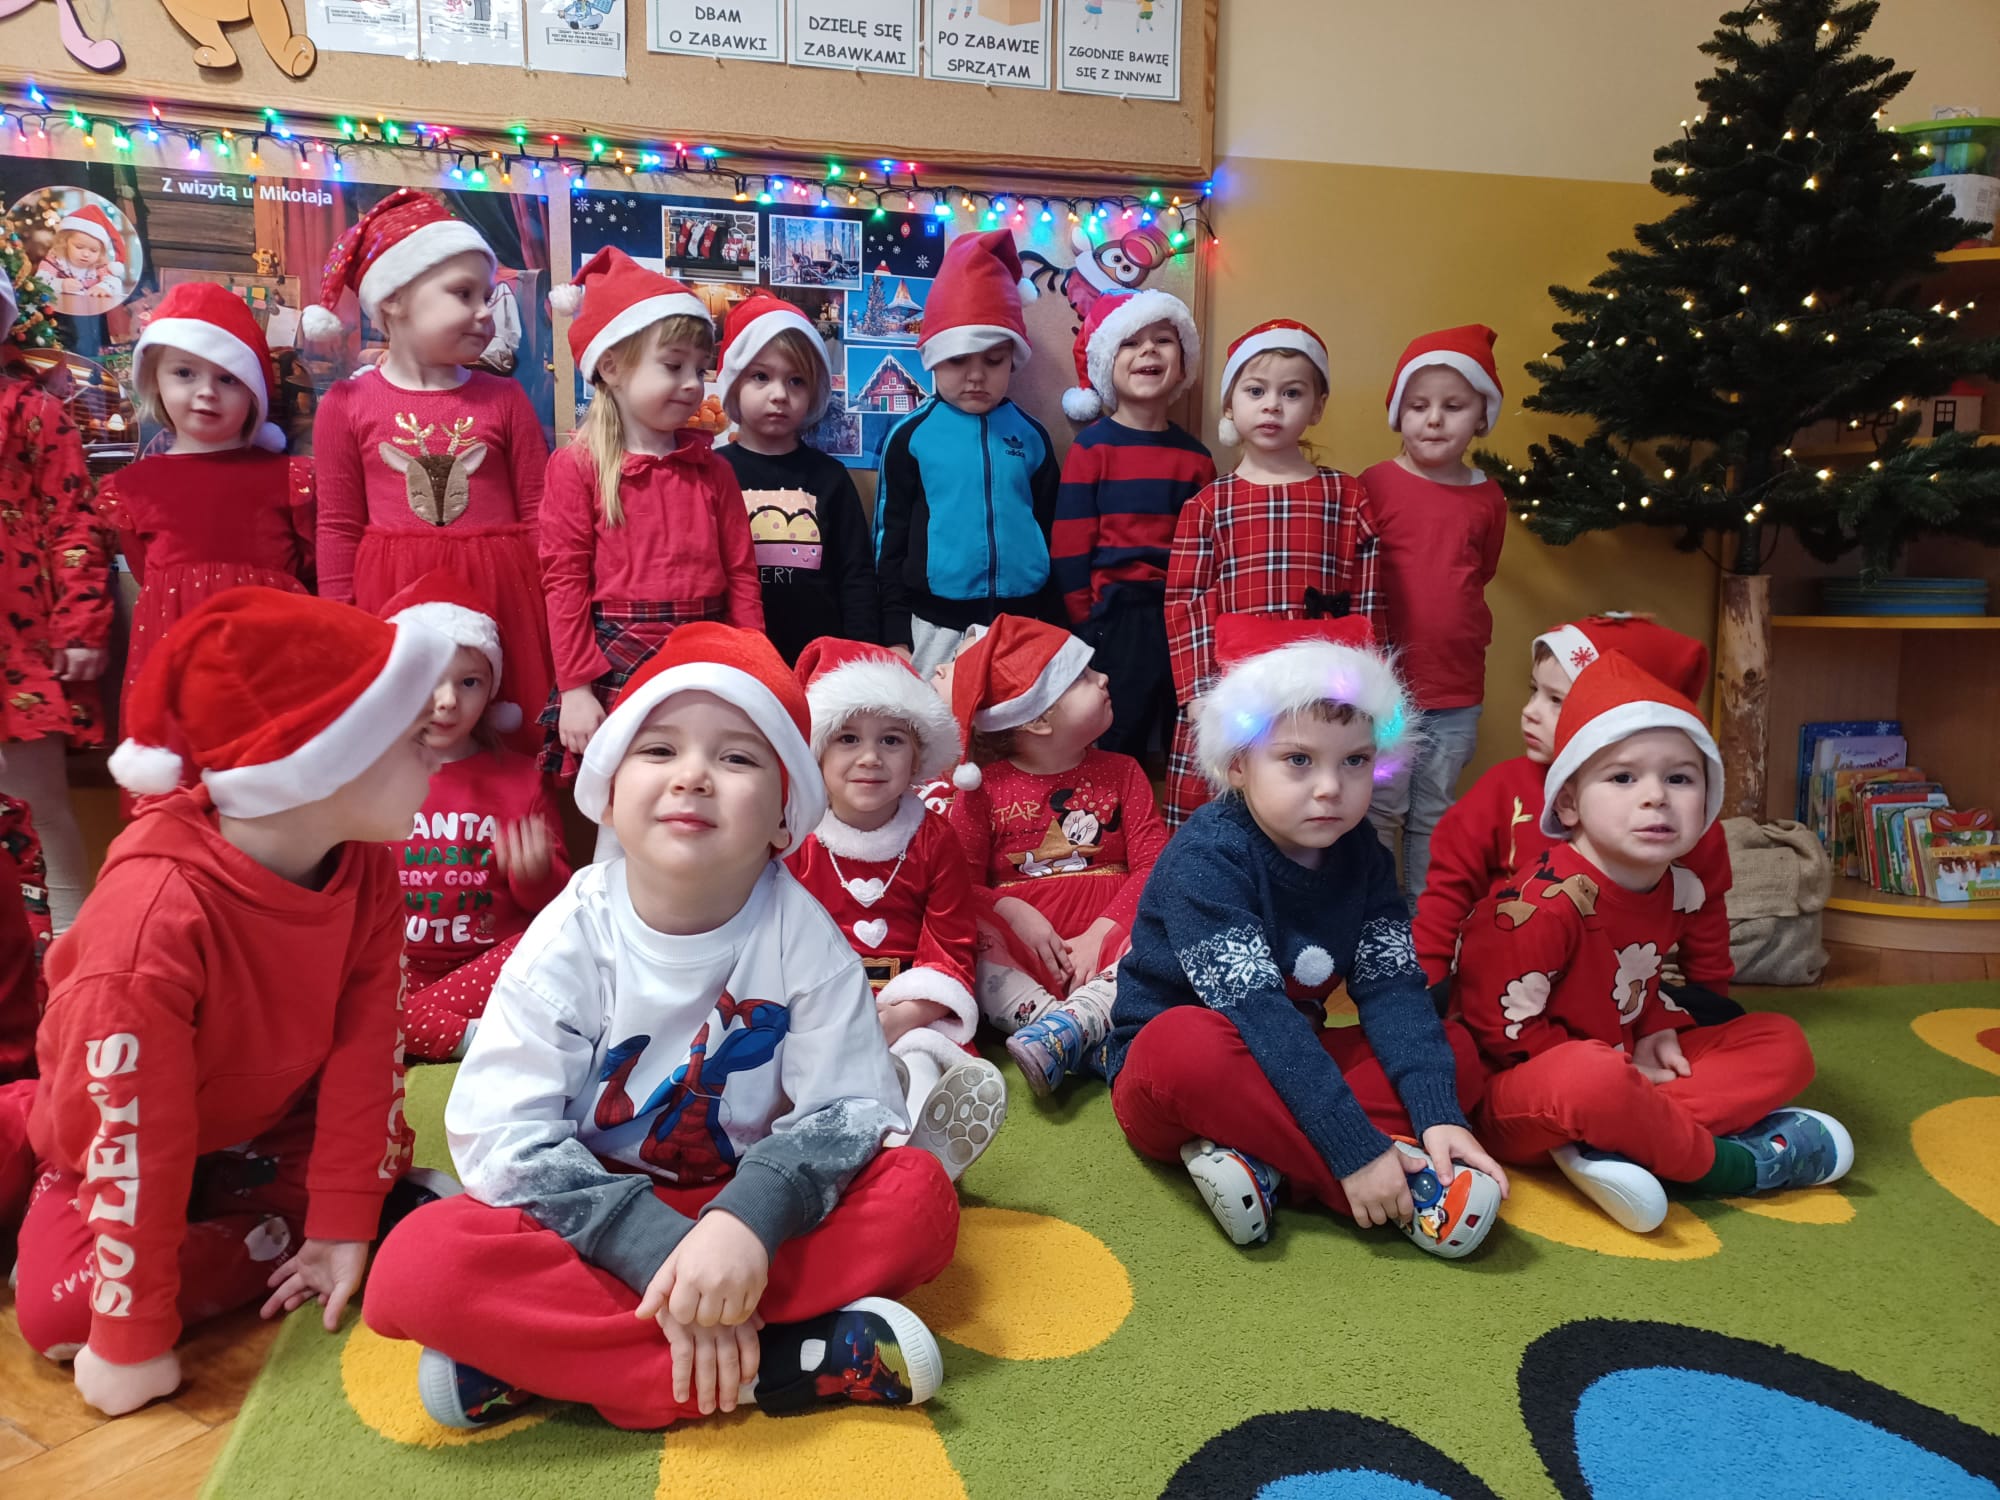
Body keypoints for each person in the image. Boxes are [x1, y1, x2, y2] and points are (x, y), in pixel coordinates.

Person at [362, 623, 956, 1432]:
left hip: (747, 1209)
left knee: (918, 1199)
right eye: (659, 750)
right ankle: (778, 1363)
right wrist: (653, 1247)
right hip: (591, 1218)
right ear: (609, 793)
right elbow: (502, 1133)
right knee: (416, 1264)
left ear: (786, 819)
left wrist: (743, 1225)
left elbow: (849, 1109)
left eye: (737, 758)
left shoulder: (804, 934)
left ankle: (551, 1359)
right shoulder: (573, 930)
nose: (693, 776)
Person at [12, 587, 455, 1416]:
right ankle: (36, 1150)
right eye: (414, 738)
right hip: (113, 1134)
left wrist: (344, 1222)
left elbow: (369, 1055)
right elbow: (131, 1134)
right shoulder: (150, 922)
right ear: (324, 763)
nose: (439, 757)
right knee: (63, 1316)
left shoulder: (363, 865)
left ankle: (285, 1217)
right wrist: (132, 1341)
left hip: (255, 1128)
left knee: (361, 1187)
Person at [1105, 613, 1505, 1257]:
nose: (1330, 788)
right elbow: (1258, 1013)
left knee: (1451, 1049)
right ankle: (1390, 1185)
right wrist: (1353, 1154)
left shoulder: (1364, 854)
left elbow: (1393, 989)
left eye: (1355, 761)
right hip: (1179, 1075)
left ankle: (1261, 1163)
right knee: (1182, 1045)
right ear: (1239, 764)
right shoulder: (1207, 856)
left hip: (1293, 1055)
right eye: (1298, 760)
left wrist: (1439, 1114)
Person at [1451, 650, 1851, 1234]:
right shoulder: (1541, 906)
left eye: (1679, 778)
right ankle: (1724, 1165)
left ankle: (1621, 1143)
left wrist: (1656, 1024)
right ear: (1569, 803)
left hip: (1616, 1069)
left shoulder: (1676, 887)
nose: (1655, 796)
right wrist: (1615, 1068)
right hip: (1516, 1092)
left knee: (1782, 1044)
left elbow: (1635, 980)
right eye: (1623, 777)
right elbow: (1499, 1031)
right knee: (1593, 1081)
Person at [308, 188, 553, 758]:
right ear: (394, 299)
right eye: (464, 294)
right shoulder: (346, 405)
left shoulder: (505, 399)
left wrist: (549, 615)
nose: (485, 311)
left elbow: (540, 515)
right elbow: (337, 526)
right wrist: (342, 625)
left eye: (486, 296)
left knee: (504, 745)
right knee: (400, 747)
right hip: (390, 595)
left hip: (503, 597)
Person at [1415, 614, 1738, 1025]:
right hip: (1512, 990)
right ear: (1566, 805)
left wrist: (1709, 996)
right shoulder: (1502, 788)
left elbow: (1706, 912)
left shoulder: (1675, 819)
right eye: (1534, 691)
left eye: (1556, 700)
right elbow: (1447, 893)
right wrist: (1426, 987)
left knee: (1734, 1023)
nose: (1530, 712)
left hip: (1621, 993)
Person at [540, 248, 762, 783]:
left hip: (708, 648)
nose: (693, 384)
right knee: (625, 790)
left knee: (698, 780)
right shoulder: (577, 467)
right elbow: (564, 581)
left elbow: (741, 575)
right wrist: (575, 687)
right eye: (673, 365)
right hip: (617, 653)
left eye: (700, 369)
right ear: (611, 366)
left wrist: (755, 664)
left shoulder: (715, 471)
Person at [787, 636, 1006, 1179]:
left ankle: (920, 1153)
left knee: (918, 1057)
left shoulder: (934, 838)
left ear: (917, 757)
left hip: (908, 1005)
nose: (870, 757)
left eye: (891, 739)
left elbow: (950, 942)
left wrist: (902, 1016)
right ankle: (837, 1146)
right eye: (847, 738)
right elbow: (777, 942)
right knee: (803, 1067)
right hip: (818, 1007)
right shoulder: (796, 840)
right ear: (817, 751)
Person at [1162, 319, 1382, 828]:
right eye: (1256, 391)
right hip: (1233, 691)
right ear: (1229, 404)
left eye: (1292, 393)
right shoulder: (1208, 505)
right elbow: (1186, 601)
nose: (1272, 406)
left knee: (1313, 807)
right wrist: (1196, 692)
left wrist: (1370, 683)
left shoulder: (1347, 496)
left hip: (1322, 697)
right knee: (1227, 817)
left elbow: (1369, 598)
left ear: (1317, 407)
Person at [943, 615, 1169, 1097]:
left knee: (1169, 928)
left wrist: (1102, 932)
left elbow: (1156, 866)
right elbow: (956, 884)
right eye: (1083, 676)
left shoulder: (1125, 771)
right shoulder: (982, 790)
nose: (1103, 678)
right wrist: (1013, 911)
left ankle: (1074, 1026)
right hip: (1024, 955)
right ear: (1038, 719)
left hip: (1110, 949)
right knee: (966, 939)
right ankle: (1063, 1029)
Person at [99, 283, 316, 758]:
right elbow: (146, 571)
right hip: (174, 658)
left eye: (228, 379)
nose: (206, 392)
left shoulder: (287, 478)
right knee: (177, 775)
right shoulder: (135, 488)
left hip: (270, 656)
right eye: (184, 372)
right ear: (154, 379)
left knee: (268, 771)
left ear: (253, 392)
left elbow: (309, 564)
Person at [379, 570, 571, 1061]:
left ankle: (413, 1030)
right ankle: (466, 1037)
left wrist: (534, 875)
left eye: (469, 682)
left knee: (556, 943)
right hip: (391, 971)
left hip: (491, 969)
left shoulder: (522, 778)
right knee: (339, 990)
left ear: (490, 691)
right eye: (427, 679)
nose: (447, 701)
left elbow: (558, 909)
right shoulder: (369, 777)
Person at [1362, 326, 1508, 909]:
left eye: (1454, 406)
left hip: (1456, 688)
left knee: (1434, 811)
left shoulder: (1488, 497)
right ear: (1399, 414)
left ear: (1482, 416)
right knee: (1378, 807)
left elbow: (1482, 571)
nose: (1435, 420)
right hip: (1386, 689)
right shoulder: (1375, 484)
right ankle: (1376, 917)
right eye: (1419, 406)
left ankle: (1428, 923)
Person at [874, 230, 1061, 676]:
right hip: (934, 628)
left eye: (993, 361)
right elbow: (889, 539)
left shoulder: (1032, 436)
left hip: (1023, 623)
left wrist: (1054, 620)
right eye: (958, 359)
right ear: (934, 358)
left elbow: (1053, 530)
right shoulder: (910, 436)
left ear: (1012, 360)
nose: (976, 376)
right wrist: (894, 631)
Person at [1052, 288, 1214, 761]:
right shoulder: (1092, 449)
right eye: (1130, 342)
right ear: (1108, 362)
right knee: (1118, 737)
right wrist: (1085, 622)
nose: (1148, 351)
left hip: (1179, 615)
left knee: (1182, 738)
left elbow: (1207, 551)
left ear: (1182, 365)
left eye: (1162, 340)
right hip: (1115, 618)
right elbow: (1070, 546)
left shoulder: (1196, 459)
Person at [0, 266, 110, 934]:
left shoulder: (35, 411)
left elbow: (74, 520)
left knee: (37, 803)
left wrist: (80, 621)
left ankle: (74, 951)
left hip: (19, 641)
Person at [713, 291, 879, 663]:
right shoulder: (712, 473)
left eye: (796, 381)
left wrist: (862, 656)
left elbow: (856, 576)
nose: (779, 395)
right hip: (736, 661)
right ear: (735, 383)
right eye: (761, 376)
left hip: (822, 663)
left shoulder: (830, 477)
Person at [35, 207, 125, 298]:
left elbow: (115, 282)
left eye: (94, 250)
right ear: (65, 243)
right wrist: (60, 284)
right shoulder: (56, 260)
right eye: (79, 247)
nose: (86, 254)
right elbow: (39, 281)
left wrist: (104, 287)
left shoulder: (99, 265)